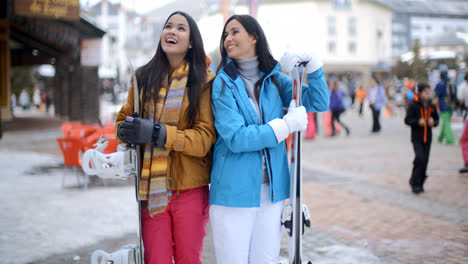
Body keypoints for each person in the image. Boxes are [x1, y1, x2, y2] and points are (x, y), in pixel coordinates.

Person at [209, 14, 329, 263]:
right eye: (225, 35)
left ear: (254, 37)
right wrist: (283, 126)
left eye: (234, 32)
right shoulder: (222, 84)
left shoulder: (274, 80)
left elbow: (318, 101)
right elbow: (236, 138)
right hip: (234, 193)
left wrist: (313, 65)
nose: (228, 39)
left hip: (272, 194)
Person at [115, 11, 216, 264]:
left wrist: (159, 134)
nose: (171, 31)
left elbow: (204, 139)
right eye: (168, 26)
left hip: (190, 191)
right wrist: (124, 131)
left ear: (192, 42)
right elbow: (122, 119)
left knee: (187, 260)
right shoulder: (142, 78)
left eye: (181, 28)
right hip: (152, 191)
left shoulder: (204, 81)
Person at [404, 83, 439, 194]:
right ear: (419, 92)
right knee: (420, 158)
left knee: (425, 160)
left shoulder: (431, 106)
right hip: (417, 137)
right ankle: (414, 182)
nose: (428, 95)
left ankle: (420, 182)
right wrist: (417, 122)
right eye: (425, 92)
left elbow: (436, 120)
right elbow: (407, 120)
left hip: (428, 138)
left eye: (429, 92)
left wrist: (434, 122)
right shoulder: (413, 105)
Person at [435, 65, 454, 144]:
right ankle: (440, 137)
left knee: (446, 123)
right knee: (446, 121)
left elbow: (436, 93)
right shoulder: (451, 82)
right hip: (451, 105)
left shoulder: (440, 84)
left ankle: (450, 139)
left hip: (443, 105)